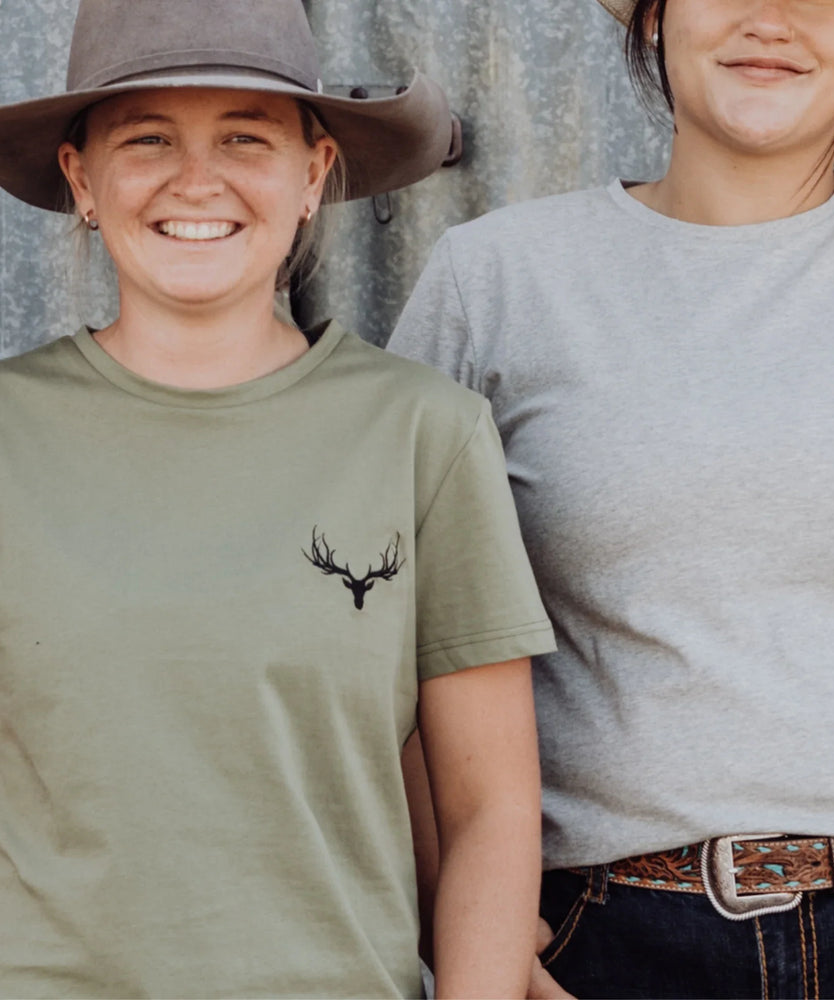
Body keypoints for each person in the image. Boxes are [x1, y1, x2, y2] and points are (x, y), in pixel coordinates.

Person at [388, 0, 834, 996]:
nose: (770, 19)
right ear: (655, 20)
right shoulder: (493, 282)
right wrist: (465, 938)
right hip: (600, 940)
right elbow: (396, 654)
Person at [0, 1, 556, 997]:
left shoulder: (422, 433)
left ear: (313, 174)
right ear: (82, 178)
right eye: (147, 138)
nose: (196, 180)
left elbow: (489, 815)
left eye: (245, 137)